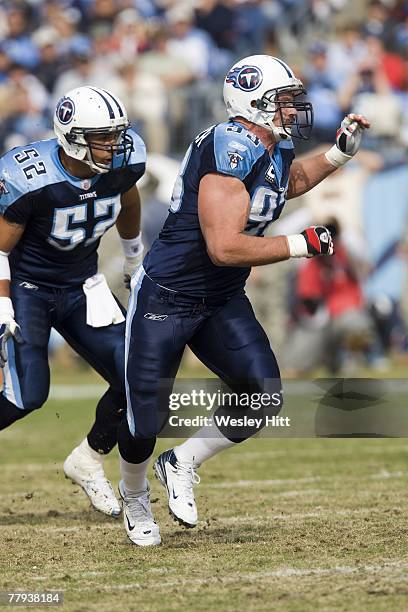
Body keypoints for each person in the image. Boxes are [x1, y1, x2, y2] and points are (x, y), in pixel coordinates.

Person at [118, 55, 370, 546]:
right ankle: (133, 495)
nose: (294, 107)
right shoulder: (230, 147)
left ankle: (183, 461)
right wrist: (301, 244)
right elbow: (224, 246)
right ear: (252, 101)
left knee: (261, 393)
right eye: (284, 99)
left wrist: (338, 155)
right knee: (146, 413)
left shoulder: (269, 145)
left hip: (221, 294)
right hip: (169, 294)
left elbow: (286, 185)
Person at [0, 86, 146, 518]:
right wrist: (3, 302)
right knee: (27, 394)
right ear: (72, 136)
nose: (113, 144)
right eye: (101, 136)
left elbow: (129, 197)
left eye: (116, 133)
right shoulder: (31, 174)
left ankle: (88, 458)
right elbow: (0, 250)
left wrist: (134, 256)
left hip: (82, 284)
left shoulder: (124, 161)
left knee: (140, 376)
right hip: (28, 287)